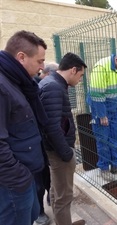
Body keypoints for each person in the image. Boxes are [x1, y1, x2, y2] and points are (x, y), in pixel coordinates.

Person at [0, 30, 48, 225]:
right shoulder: (2, 87)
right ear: (21, 57)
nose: (42, 67)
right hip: (14, 183)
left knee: (32, 215)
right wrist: (20, 177)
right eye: (39, 61)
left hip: (26, 174)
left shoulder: (16, 81)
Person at [38, 52, 87, 225]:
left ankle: (62, 221)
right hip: (59, 152)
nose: (80, 80)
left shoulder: (53, 83)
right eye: (81, 75)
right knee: (64, 196)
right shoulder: (53, 87)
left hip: (55, 150)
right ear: (73, 70)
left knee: (56, 191)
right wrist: (66, 153)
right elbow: (51, 127)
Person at [87, 49, 117, 179]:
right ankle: (104, 168)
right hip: (101, 109)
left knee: (116, 138)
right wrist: (102, 115)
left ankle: (116, 165)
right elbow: (96, 94)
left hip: (115, 109)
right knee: (103, 140)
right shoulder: (101, 67)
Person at [34, 62, 58, 225]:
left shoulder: (41, 85)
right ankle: (39, 212)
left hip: (43, 139)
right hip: (33, 141)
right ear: (49, 74)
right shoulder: (36, 86)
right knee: (37, 179)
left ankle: (50, 198)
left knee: (47, 174)